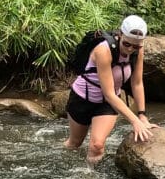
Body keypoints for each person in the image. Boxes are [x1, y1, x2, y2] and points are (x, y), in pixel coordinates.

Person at [63, 14, 157, 166]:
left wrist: (142, 116)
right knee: (74, 144)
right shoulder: (103, 50)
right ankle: (64, 165)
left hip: (107, 104)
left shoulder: (138, 51)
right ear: (120, 35)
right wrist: (134, 121)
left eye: (136, 46)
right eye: (127, 44)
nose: (131, 49)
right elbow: (108, 93)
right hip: (82, 99)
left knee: (97, 146)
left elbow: (137, 83)